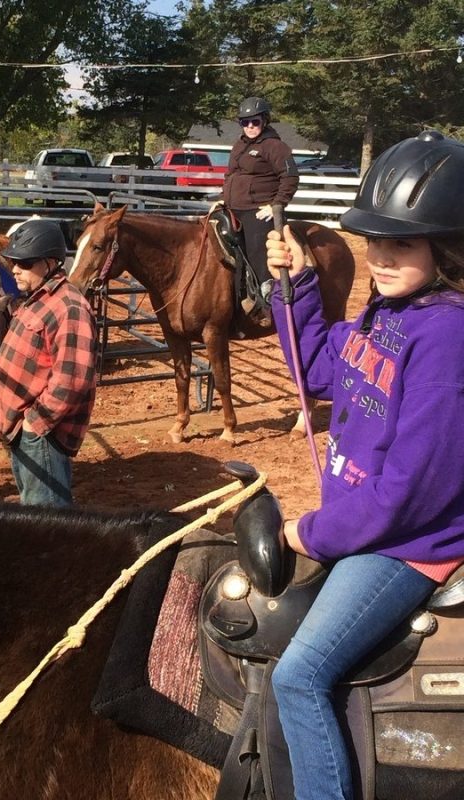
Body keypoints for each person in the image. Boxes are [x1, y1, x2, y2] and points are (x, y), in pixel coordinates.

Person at [265, 129, 464, 800]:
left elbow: (412, 491)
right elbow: (320, 370)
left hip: (408, 543)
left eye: (401, 243)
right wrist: (295, 286)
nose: (379, 256)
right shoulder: (389, 312)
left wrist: (312, 532)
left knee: (299, 675)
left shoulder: (447, 335)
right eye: (374, 240)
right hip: (367, 521)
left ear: (448, 247)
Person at [0, 218, 97, 507]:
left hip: (42, 435)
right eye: (14, 262)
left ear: (49, 264)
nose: (15, 269)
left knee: (47, 519)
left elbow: (73, 379)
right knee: (36, 513)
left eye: (24, 263)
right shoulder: (39, 298)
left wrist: (35, 423)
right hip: (24, 430)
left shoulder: (69, 307)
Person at [223, 96, 299, 325]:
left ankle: (268, 300)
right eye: (244, 122)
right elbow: (230, 175)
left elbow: (290, 177)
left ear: (264, 121)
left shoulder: (275, 147)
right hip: (233, 208)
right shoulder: (239, 145)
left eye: (254, 122)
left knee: (258, 251)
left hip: (258, 210)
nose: (250, 127)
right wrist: (222, 198)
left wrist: (276, 205)